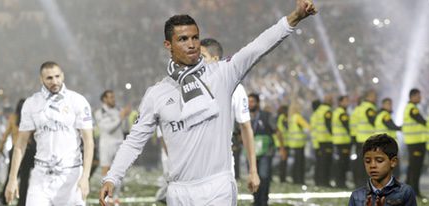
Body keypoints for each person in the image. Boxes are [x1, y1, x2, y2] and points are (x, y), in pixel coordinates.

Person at [99, 1, 316, 204]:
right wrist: (112, 177)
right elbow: (135, 140)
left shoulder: (222, 74)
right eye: (183, 39)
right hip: (179, 190)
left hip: (217, 186)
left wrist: (294, 18)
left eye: (195, 38)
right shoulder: (157, 94)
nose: (192, 44)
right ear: (168, 44)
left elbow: (257, 47)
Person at [4, 61, 94, 205]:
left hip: (70, 176)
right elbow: (20, 144)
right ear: (41, 79)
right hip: (41, 176)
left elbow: (89, 142)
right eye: (49, 78)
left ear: (63, 76)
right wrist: (12, 178)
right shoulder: (31, 103)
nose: (55, 81)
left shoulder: (77, 101)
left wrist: (85, 176)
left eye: (57, 76)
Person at [200, 38, 259, 184]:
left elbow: (246, 128)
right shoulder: (189, 85)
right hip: (194, 165)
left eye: (202, 57)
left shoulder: (235, 89)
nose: (197, 61)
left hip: (222, 167)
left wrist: (253, 171)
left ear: (215, 59)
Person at [348, 133, 416, 206]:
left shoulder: (405, 192)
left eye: (379, 160)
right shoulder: (357, 196)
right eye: (368, 161)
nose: (372, 165)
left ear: (393, 162)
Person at [248, 93, 286, 206]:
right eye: (248, 101)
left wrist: (282, 148)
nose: (250, 104)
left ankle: (263, 201)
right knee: (252, 177)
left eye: (252, 101)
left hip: (266, 152)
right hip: (251, 152)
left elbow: (277, 131)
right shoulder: (244, 116)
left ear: (258, 103)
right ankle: (256, 200)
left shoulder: (266, 116)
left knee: (264, 177)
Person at [0, 99, 36, 206]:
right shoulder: (31, 118)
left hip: (16, 151)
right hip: (28, 151)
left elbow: (5, 134)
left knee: (12, 176)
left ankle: (4, 199)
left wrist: (0, 148)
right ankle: (22, 202)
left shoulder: (13, 118)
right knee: (25, 179)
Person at [402, 88, 426, 196]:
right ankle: (415, 191)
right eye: (418, 96)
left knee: (412, 167)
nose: (420, 98)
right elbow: (422, 121)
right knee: (416, 168)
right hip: (416, 143)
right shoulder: (412, 109)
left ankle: (408, 189)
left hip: (413, 142)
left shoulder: (410, 108)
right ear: (412, 97)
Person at [354, 89, 377, 188]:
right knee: (367, 164)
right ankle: (365, 183)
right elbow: (375, 122)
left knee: (361, 164)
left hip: (360, 138)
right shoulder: (369, 108)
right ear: (369, 95)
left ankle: (359, 182)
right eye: (374, 95)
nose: (375, 98)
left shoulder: (360, 108)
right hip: (368, 139)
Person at [374, 98, 401, 179]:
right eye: (388, 104)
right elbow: (392, 126)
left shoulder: (379, 115)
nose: (390, 106)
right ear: (383, 105)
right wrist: (403, 128)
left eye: (391, 104)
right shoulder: (385, 115)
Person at [286, 99, 310, 185]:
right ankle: (300, 180)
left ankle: (295, 179)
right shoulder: (298, 117)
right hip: (300, 143)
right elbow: (307, 127)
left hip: (293, 142)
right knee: (300, 163)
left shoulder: (291, 117)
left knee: (296, 162)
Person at [312, 94, 333, 187]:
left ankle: (319, 181)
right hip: (327, 139)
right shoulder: (327, 111)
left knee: (320, 163)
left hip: (319, 140)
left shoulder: (318, 111)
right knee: (326, 163)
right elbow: (329, 126)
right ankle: (325, 182)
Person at [332, 95, 351, 188]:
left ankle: (339, 182)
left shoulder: (337, 112)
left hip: (339, 141)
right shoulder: (341, 113)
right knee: (342, 164)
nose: (347, 103)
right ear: (340, 102)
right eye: (345, 101)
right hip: (343, 141)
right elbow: (347, 126)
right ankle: (341, 183)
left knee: (340, 163)